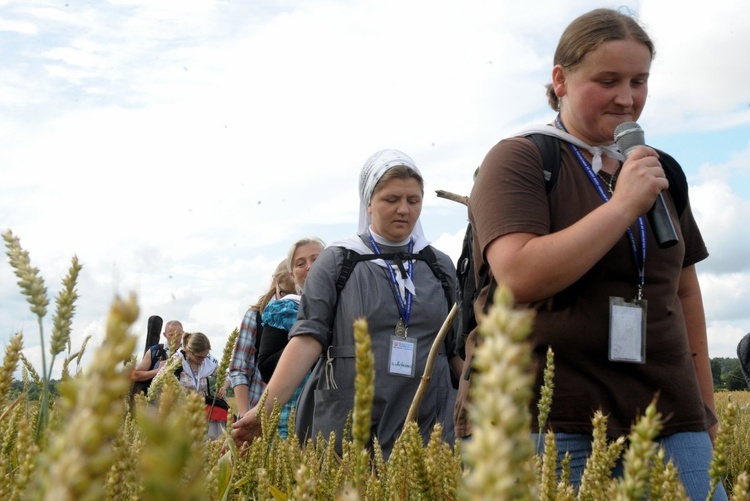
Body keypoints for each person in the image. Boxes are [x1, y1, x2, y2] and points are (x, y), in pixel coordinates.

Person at [464, 8, 725, 499]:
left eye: (639, 81)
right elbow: (518, 273)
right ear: (560, 80)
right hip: (545, 418)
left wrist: (703, 407)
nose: (627, 98)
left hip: (668, 413)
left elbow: (684, 291)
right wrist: (624, 206)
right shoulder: (521, 158)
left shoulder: (658, 168)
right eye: (607, 80)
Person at [233, 149, 462, 458]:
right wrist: (264, 409)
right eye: (391, 200)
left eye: (413, 200)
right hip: (352, 421)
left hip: (427, 421)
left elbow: (453, 352)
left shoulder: (438, 266)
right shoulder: (339, 262)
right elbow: (307, 340)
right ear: (368, 202)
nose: (404, 210)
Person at [256, 237, 325, 438]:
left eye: (316, 259)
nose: (310, 267)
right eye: (300, 263)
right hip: (294, 415)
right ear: (293, 276)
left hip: (338, 414)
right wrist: (306, 342)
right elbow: (266, 368)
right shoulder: (285, 309)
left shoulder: (350, 304)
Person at [229, 260, 296, 419]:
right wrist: (245, 414)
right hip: (258, 411)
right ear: (275, 284)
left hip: (295, 414)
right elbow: (239, 368)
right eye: (287, 294)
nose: (292, 301)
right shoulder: (256, 315)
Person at [174, 331, 230, 440]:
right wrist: (181, 389)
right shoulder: (176, 360)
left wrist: (223, 387)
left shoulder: (209, 361)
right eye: (199, 357)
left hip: (202, 411)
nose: (203, 360)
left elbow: (225, 376)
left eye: (205, 356)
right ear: (189, 351)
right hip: (181, 411)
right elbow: (165, 379)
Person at [132, 319, 184, 390]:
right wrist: (157, 371)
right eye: (171, 335)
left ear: (183, 334)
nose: (175, 338)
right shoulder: (155, 351)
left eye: (179, 334)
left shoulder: (188, 353)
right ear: (165, 335)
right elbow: (135, 375)